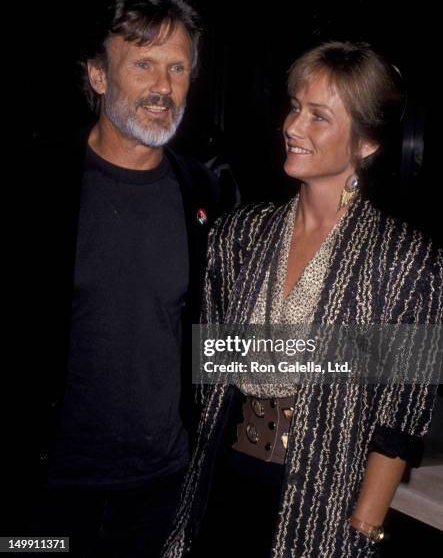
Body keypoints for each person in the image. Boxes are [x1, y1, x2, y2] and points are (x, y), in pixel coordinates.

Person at [162, 41, 442, 557]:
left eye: (318, 117)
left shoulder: (405, 261)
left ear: (366, 143)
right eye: (295, 107)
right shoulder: (240, 234)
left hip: (321, 511)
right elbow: (210, 375)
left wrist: (363, 528)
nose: (293, 127)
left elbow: (398, 420)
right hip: (219, 487)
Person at [9, 0, 228, 557]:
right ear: (99, 76)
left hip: (158, 492)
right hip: (44, 496)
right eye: (144, 65)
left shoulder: (205, 194)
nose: (163, 87)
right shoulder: (35, 189)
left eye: (177, 67)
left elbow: (220, 339)